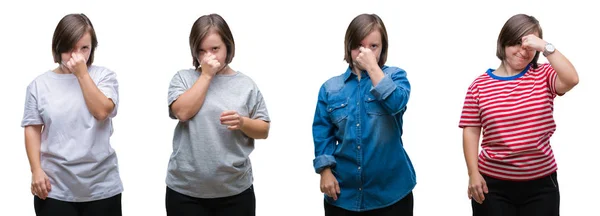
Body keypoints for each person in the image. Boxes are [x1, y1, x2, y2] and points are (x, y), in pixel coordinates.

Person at [459, 14, 579, 216]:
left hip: (541, 185)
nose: (523, 52)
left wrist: (545, 45)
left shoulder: (544, 75)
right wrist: (473, 173)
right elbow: (471, 131)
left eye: (529, 47)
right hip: (493, 185)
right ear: (504, 42)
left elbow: (572, 79)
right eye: (517, 43)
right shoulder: (479, 86)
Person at [164, 13, 270, 216]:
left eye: (215, 49)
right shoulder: (183, 79)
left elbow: (263, 129)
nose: (209, 56)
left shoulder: (246, 85)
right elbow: (182, 112)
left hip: (235, 191)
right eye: (202, 51)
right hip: (185, 192)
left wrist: (242, 122)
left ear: (228, 47)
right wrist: (206, 74)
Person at [312, 13, 416, 216]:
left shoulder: (396, 76)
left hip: (392, 193)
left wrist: (372, 67)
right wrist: (324, 171)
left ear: (382, 48)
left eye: (373, 46)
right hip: (343, 196)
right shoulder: (330, 88)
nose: (365, 52)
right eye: (359, 45)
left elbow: (396, 102)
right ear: (348, 46)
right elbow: (322, 133)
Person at [21, 13, 123, 216]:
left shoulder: (104, 77)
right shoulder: (39, 85)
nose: (77, 55)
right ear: (58, 47)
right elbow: (32, 129)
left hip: (101, 187)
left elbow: (102, 111)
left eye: (84, 48)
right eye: (70, 48)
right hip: (55, 188)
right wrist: (36, 170)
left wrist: (82, 74)